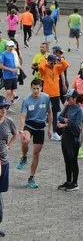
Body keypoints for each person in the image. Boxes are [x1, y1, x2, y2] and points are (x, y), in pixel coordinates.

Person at [17, 78, 52, 188]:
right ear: (31, 88)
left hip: (40, 127)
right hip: (29, 125)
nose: (36, 91)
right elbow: (23, 116)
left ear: (41, 88)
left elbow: (50, 113)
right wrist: (22, 130)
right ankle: (23, 157)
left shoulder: (46, 98)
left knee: (36, 153)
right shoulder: (26, 100)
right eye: (34, 89)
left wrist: (50, 128)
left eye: (38, 88)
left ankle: (31, 178)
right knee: (25, 140)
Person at [57, 89, 83, 192]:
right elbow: (59, 117)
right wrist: (66, 120)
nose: (67, 100)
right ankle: (68, 181)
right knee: (66, 160)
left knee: (73, 160)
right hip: (65, 137)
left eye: (69, 98)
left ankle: (75, 183)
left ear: (75, 98)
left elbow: (76, 126)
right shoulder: (67, 107)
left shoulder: (79, 110)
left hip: (74, 139)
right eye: (67, 98)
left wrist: (66, 123)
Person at [39, 54, 69, 141]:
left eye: (54, 63)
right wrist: (44, 60)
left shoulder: (57, 68)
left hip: (56, 94)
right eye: (51, 63)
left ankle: (54, 132)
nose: (53, 64)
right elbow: (41, 67)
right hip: (46, 95)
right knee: (43, 112)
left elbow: (66, 65)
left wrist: (60, 59)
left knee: (55, 113)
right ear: (48, 61)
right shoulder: (44, 69)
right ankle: (40, 130)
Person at [0, 96, 17, 237]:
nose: (3, 110)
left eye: (5, 107)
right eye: (1, 108)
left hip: (4, 162)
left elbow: (15, 134)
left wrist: (8, 146)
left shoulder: (8, 122)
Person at [0, 40, 19, 106]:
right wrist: (10, 69)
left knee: (12, 91)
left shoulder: (14, 53)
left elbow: (16, 63)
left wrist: (17, 69)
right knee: (8, 92)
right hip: (7, 76)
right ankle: (4, 104)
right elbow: (1, 66)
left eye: (12, 46)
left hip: (14, 75)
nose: (11, 48)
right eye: (10, 46)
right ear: (7, 46)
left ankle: (7, 105)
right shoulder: (3, 54)